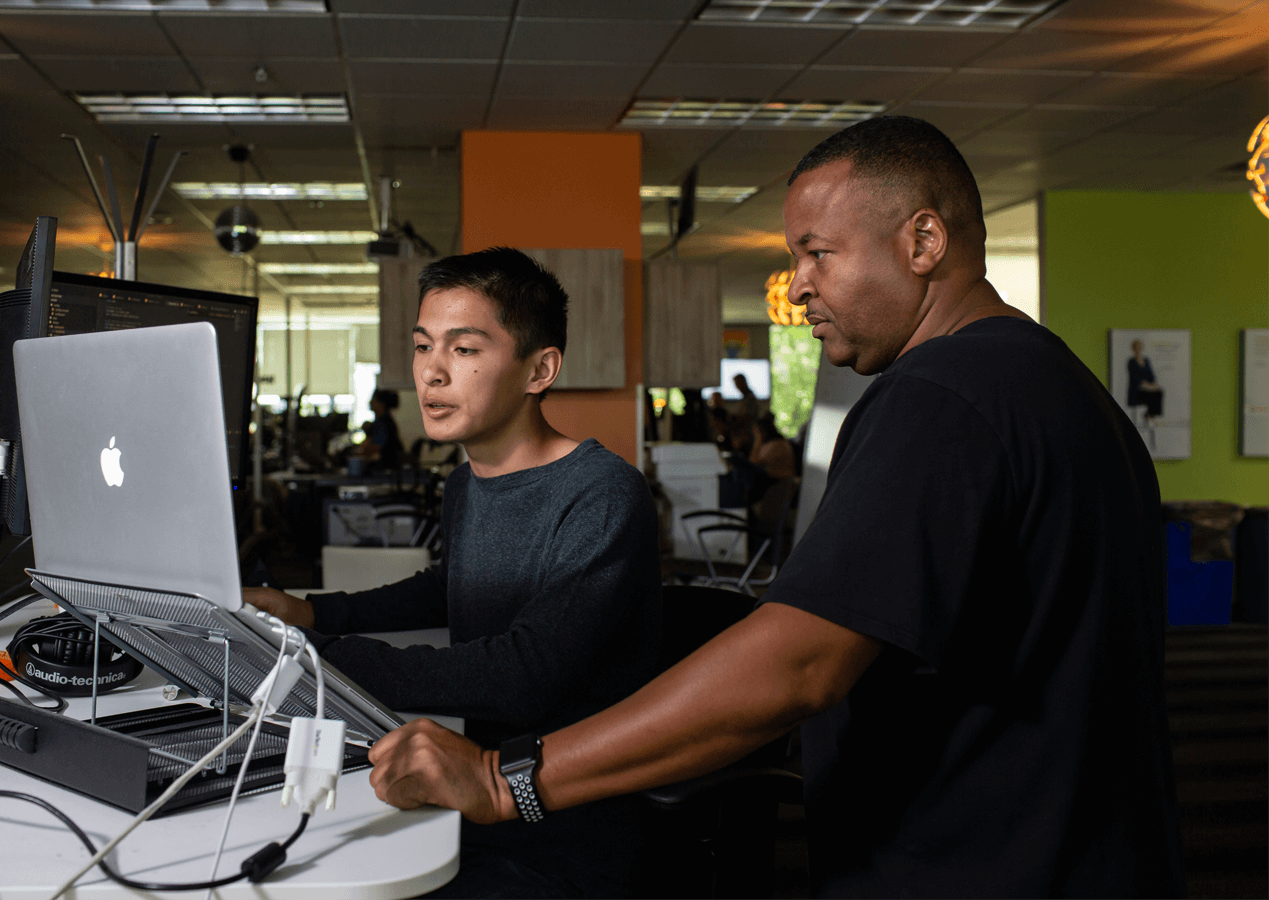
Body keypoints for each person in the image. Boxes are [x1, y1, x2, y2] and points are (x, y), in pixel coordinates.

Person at [362, 117, 1185, 898]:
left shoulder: (936, 395)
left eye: (820, 253)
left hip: (975, 868)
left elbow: (799, 662)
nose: (798, 286)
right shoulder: (1069, 392)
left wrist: (505, 781)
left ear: (924, 242)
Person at [245, 246, 662, 898]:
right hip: (464, 769)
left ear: (539, 368)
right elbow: (450, 584)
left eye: (464, 350)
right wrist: (311, 612)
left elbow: (525, 676)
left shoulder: (603, 493)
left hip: (553, 811)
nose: (431, 374)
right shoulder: (466, 484)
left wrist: (320, 658)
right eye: (422, 346)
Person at [358, 387, 404, 470]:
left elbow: (376, 447)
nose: (370, 402)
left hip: (387, 468)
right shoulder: (384, 420)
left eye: (373, 400)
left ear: (381, 403)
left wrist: (358, 453)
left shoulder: (382, 422)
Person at [1127, 339, 1164, 423]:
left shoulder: (1146, 361)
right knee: (1154, 393)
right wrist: (1145, 384)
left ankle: (1150, 414)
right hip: (1136, 391)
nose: (1139, 349)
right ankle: (1149, 415)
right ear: (1133, 349)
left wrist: (1152, 384)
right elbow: (1134, 377)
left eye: (1140, 347)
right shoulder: (1131, 362)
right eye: (1137, 347)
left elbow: (1151, 375)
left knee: (1159, 391)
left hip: (1147, 388)